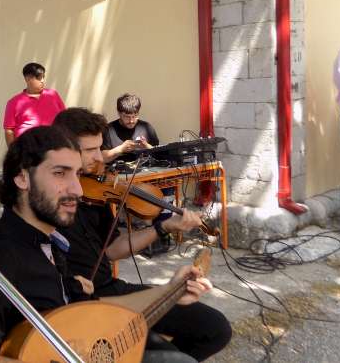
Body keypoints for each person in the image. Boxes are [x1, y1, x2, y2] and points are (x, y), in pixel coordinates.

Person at [0, 126, 217, 363]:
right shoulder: (0, 254)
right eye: (60, 173)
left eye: (76, 174)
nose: (77, 189)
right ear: (22, 178)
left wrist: (169, 291)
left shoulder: (51, 242)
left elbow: (94, 310)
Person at [53, 107, 232, 361]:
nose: (100, 157)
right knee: (174, 357)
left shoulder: (96, 193)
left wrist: (163, 226)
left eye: (99, 148)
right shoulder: (48, 203)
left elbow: (112, 250)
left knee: (215, 329)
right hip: (82, 305)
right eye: (90, 150)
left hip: (111, 289)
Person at [2, 62, 65, 146]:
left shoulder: (53, 95)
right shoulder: (14, 102)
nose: (42, 81)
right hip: (27, 147)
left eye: (43, 77)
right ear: (28, 79)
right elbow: (9, 130)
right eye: (39, 78)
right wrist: (13, 151)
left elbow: (64, 117)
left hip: (54, 144)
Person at [103, 93, 160, 162]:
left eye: (135, 116)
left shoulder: (146, 127)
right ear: (119, 113)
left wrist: (146, 146)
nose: (131, 121)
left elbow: (158, 155)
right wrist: (121, 149)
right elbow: (101, 158)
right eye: (127, 117)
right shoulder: (108, 130)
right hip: (117, 168)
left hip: (144, 168)